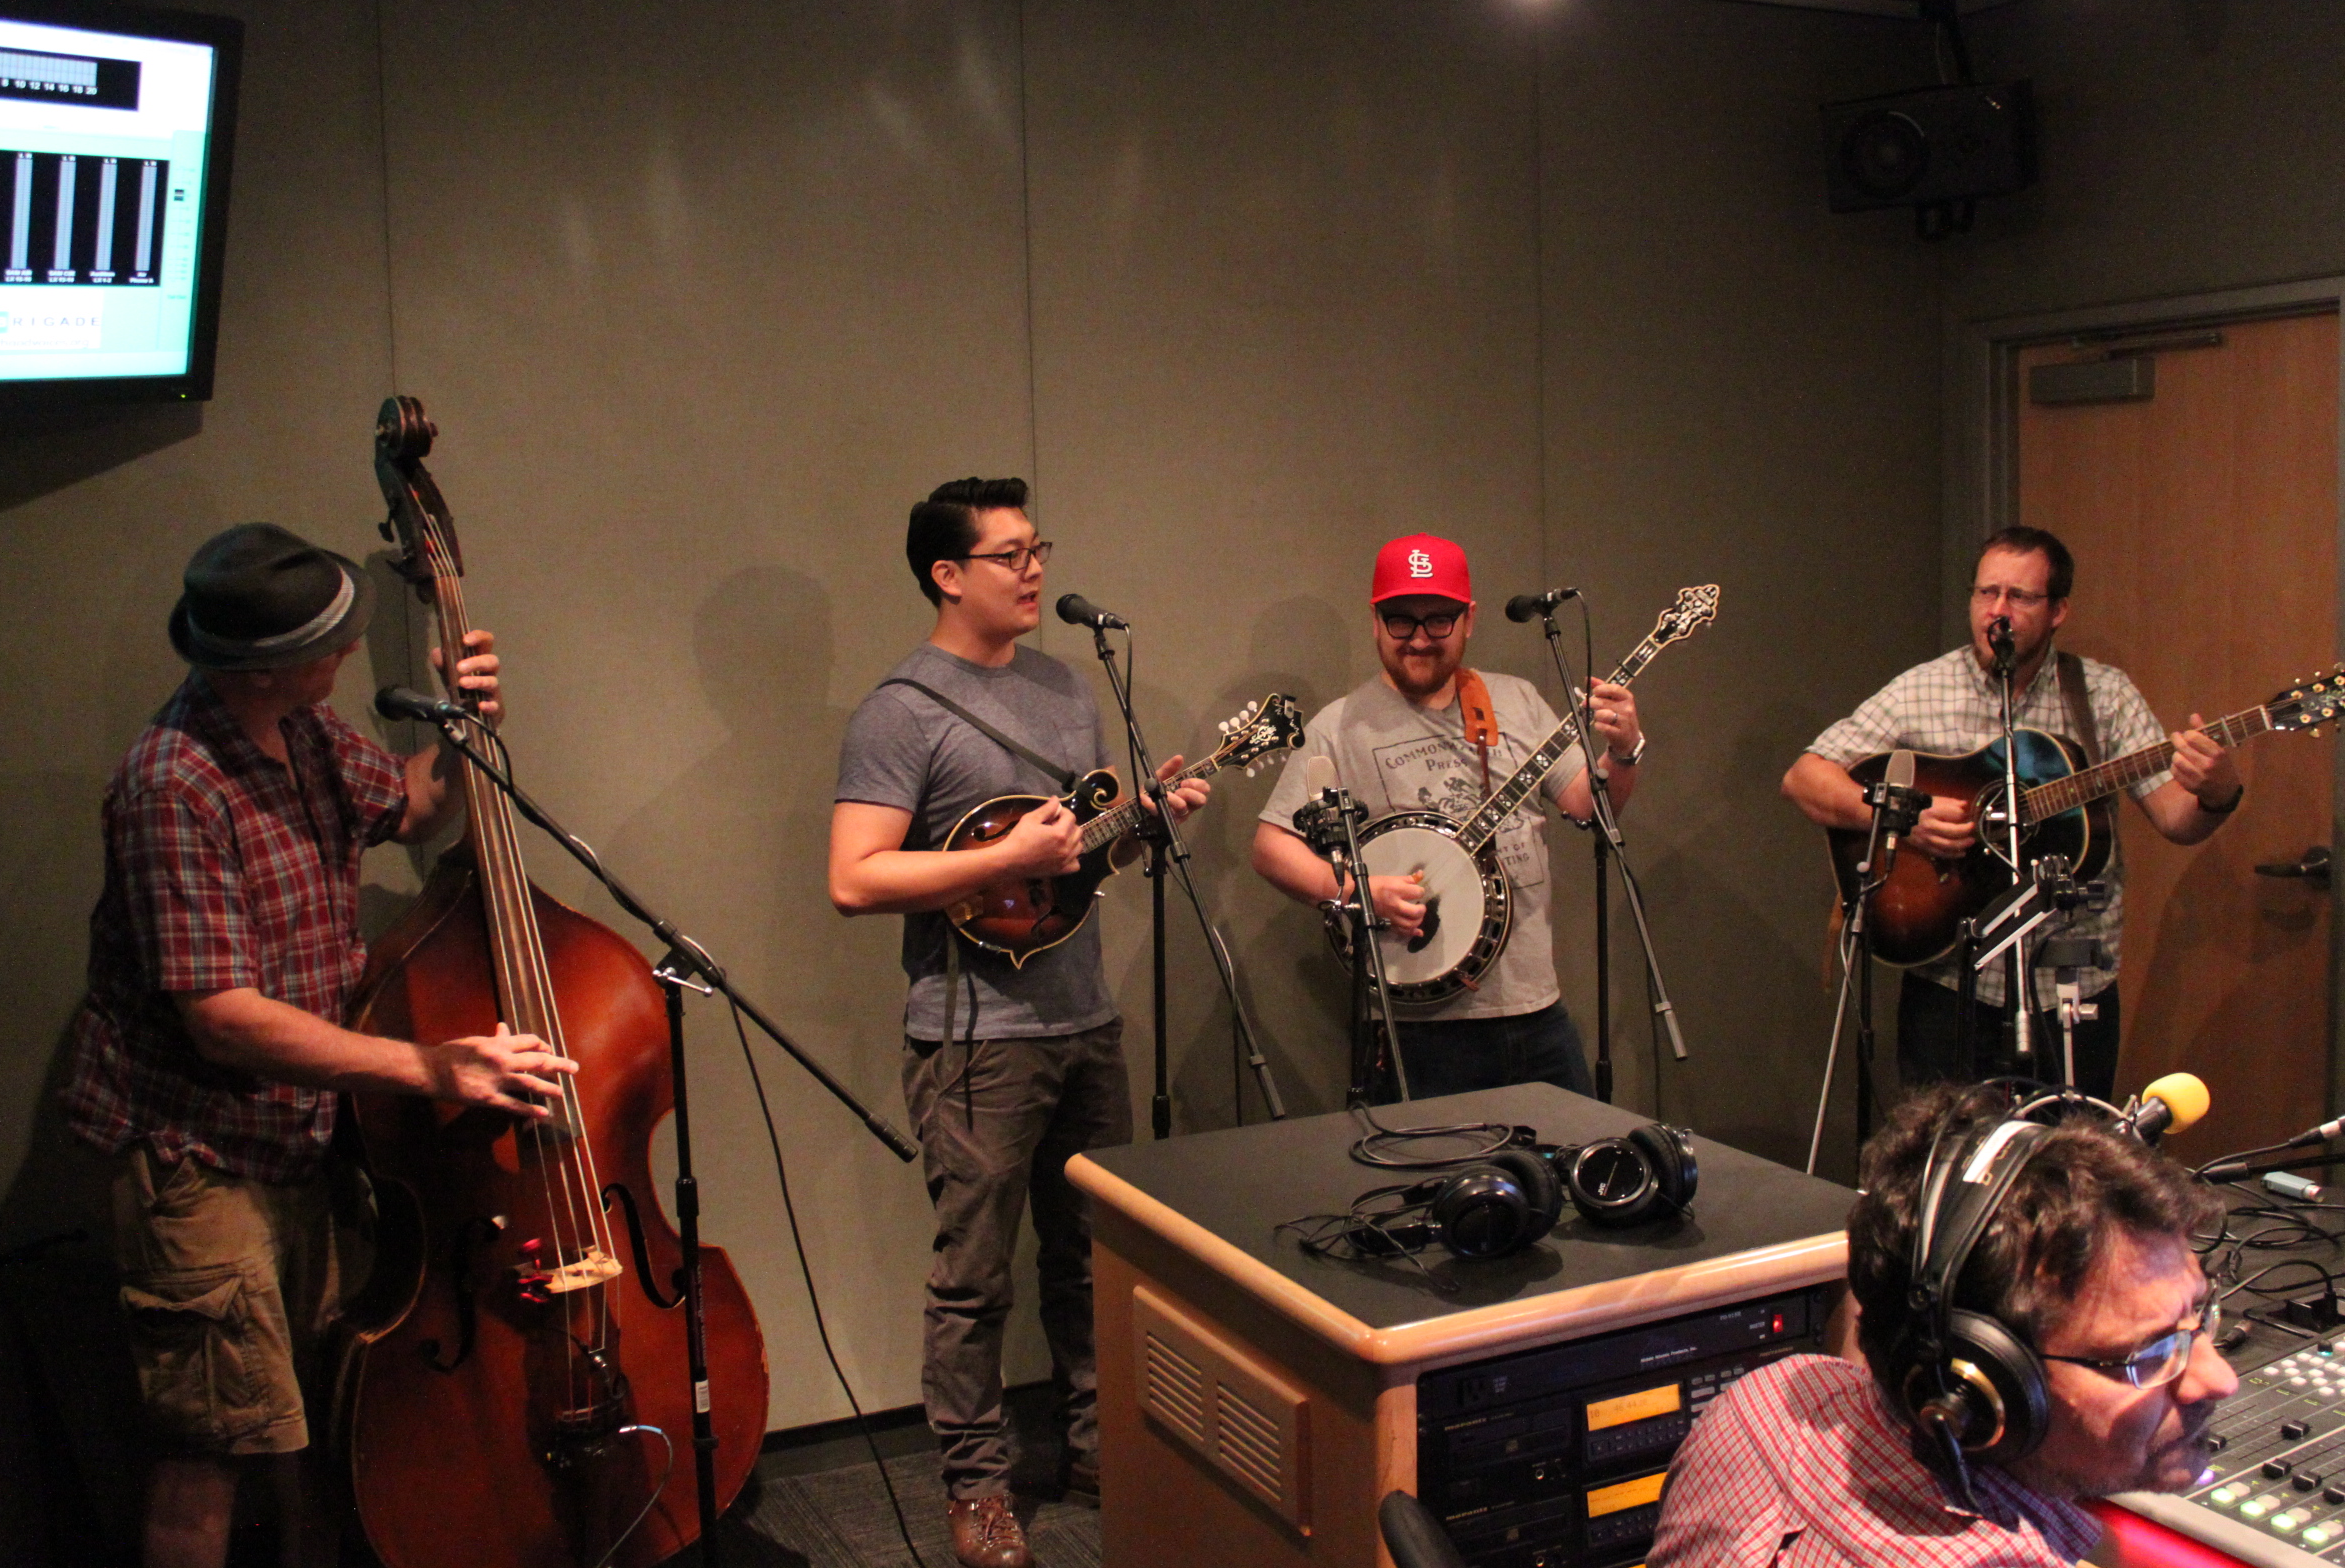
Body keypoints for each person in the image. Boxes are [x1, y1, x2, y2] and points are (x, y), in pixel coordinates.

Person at [62, 523, 577, 1568]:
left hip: (305, 1140)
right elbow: (222, 1016)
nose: (348, 651)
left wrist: (465, 726)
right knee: (212, 1448)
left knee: (327, 1419)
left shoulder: (303, 729)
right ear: (265, 666)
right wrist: (431, 1066)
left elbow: (417, 805)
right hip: (198, 1158)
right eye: (330, 642)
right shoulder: (173, 784)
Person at [827, 477, 1207, 1568]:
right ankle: (979, 1490)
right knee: (975, 1276)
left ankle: (1098, 1449)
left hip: (1083, 1017)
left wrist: (1141, 824)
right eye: (1010, 555)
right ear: (947, 575)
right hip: (974, 1037)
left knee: (1093, 1257)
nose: (1034, 570)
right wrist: (1005, 856)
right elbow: (854, 877)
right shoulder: (899, 710)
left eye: (1039, 549)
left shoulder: (1065, 688)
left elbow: (1067, 872)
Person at [1648, 1082, 2236, 1565]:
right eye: (2148, 1355)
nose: (2220, 1380)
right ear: (1984, 1387)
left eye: (2199, 1315)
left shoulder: (1762, 1405)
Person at [1782, 526, 2243, 1101]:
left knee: (2070, 1153)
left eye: (2019, 597)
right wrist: (1905, 817)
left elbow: (2177, 819)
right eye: (1986, 592)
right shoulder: (1922, 689)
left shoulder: (2102, 696)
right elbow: (1804, 777)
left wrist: (2218, 792)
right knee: (1945, 1149)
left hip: (2070, 989)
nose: (1997, 611)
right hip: (1950, 980)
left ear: (2058, 611)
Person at [1250, 533, 1643, 1099]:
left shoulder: (1517, 702)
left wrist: (1624, 751)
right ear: (1375, 621)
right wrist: (1357, 891)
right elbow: (1271, 847)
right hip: (1417, 1029)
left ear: (1469, 620)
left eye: (1438, 620)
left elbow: (1592, 806)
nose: (1419, 639)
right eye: (1400, 621)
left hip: (1535, 1012)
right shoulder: (1338, 727)